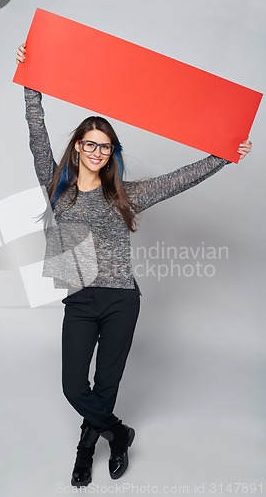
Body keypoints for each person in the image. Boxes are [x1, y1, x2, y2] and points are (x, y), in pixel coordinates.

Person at [16, 42, 252, 487]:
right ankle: (118, 432)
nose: (97, 152)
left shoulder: (126, 194)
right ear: (79, 146)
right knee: (73, 386)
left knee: (106, 384)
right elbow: (36, 136)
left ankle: (86, 449)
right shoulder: (57, 186)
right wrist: (31, 86)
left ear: (111, 153)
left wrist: (226, 154)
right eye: (90, 144)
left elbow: (180, 179)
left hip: (123, 300)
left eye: (105, 147)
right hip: (81, 299)